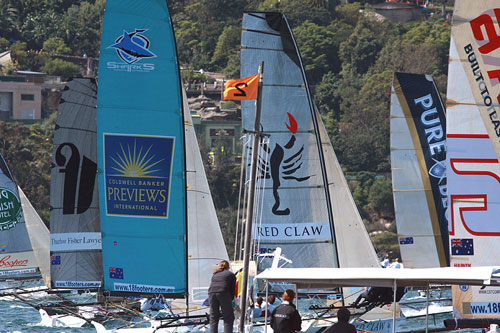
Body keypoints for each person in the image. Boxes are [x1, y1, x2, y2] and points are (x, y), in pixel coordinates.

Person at [208, 260, 236, 333]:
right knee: (228, 317)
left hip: (211, 293)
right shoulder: (231, 274)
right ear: (228, 267)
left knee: (213, 317)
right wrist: (231, 300)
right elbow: (232, 289)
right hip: (223, 292)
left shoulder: (215, 275)